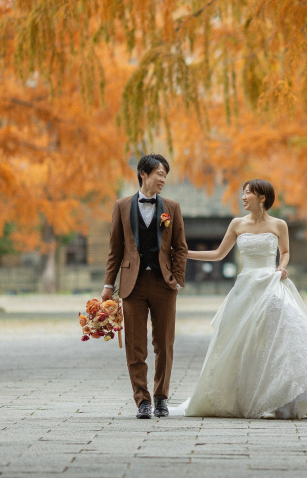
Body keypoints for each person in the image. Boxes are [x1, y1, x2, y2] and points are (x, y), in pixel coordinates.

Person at [171, 179, 307, 419]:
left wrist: (281, 267)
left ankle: (281, 398)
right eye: (243, 192)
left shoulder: (279, 224)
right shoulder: (237, 224)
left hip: (272, 284)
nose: (243, 197)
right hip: (245, 289)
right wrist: (184, 253)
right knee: (242, 342)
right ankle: (246, 397)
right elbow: (218, 254)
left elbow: (286, 251)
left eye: (248, 193)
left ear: (262, 198)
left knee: (279, 338)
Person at [102, 154, 189, 419]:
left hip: (163, 285)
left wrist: (175, 279)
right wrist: (108, 285)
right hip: (132, 286)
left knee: (164, 343)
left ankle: (161, 398)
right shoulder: (121, 206)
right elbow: (115, 249)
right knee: (135, 345)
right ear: (143, 174)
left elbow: (180, 248)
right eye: (159, 174)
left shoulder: (171, 208)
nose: (163, 179)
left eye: (165, 175)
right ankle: (142, 400)